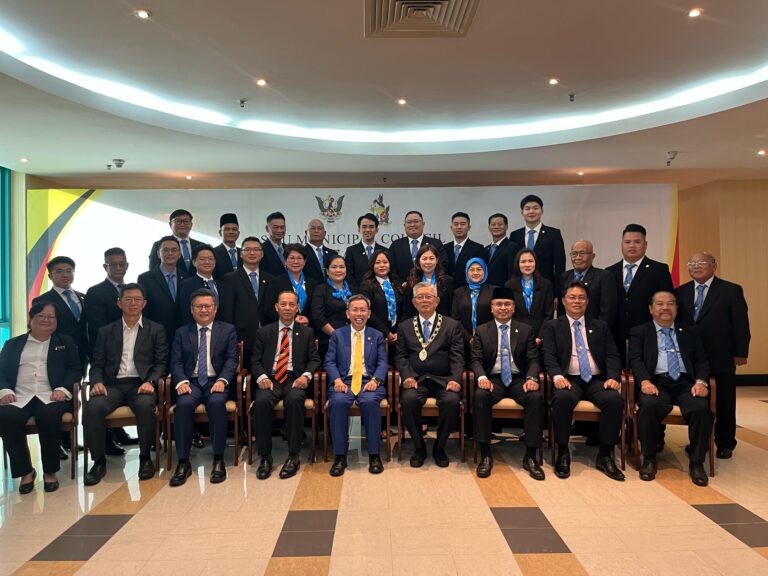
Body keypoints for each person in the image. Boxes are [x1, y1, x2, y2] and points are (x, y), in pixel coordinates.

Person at [83, 284, 168, 485]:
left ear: (144, 303)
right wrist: (97, 382)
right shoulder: (106, 331)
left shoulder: (156, 329)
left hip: (141, 384)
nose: (133, 303)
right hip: (112, 386)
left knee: (146, 406)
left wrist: (151, 381)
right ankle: (98, 461)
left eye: (137, 299)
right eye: (128, 299)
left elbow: (162, 363)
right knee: (93, 407)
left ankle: (145, 458)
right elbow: (97, 363)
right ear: (119, 303)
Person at [541, 281, 625, 481]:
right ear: (563, 301)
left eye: (581, 297)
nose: (576, 301)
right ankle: (563, 452)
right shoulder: (552, 326)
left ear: (587, 301)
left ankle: (605, 455)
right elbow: (548, 355)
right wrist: (557, 376)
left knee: (614, 400)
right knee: (562, 400)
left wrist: (613, 377)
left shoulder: (600, 326)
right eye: (572, 297)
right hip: (568, 379)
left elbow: (612, 354)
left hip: (597, 380)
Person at [629, 291, 713, 486]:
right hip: (656, 382)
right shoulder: (640, 331)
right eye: (660, 304)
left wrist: (701, 382)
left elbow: (702, 361)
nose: (665, 307)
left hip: (686, 384)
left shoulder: (690, 332)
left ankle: (697, 462)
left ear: (676, 308)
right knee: (648, 406)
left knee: (701, 409)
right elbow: (636, 359)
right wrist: (644, 381)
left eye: (670, 303)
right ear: (651, 309)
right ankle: (649, 458)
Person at [675, 252, 750, 459]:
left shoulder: (731, 290)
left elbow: (740, 324)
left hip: (721, 355)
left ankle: (725, 442)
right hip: (691, 358)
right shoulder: (680, 292)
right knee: (699, 401)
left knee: (724, 400)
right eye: (692, 263)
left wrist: (740, 352)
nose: (696, 266)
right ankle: (699, 442)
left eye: (702, 262)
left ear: (714, 265)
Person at [0, 303, 81, 494]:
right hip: (19, 395)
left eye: (51, 317)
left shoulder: (65, 341)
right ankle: (25, 472)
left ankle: (50, 472)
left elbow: (75, 369)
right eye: (41, 316)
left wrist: (63, 389)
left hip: (51, 395)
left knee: (49, 416)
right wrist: (4, 390)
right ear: (31, 319)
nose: (46, 320)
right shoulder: (12, 344)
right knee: (6, 416)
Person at [470, 287, 544, 480]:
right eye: (498, 304)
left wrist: (532, 378)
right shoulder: (482, 330)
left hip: (518, 378)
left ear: (513, 307)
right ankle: (485, 455)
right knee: (480, 396)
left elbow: (533, 359)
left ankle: (530, 457)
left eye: (507, 304)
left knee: (535, 398)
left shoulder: (525, 330)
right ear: (491, 308)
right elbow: (475, 360)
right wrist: (482, 378)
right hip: (493, 379)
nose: (503, 308)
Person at [168, 289, 239, 487]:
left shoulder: (228, 330)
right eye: (199, 306)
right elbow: (176, 361)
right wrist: (181, 382)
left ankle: (218, 459)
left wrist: (223, 380)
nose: (204, 310)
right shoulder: (182, 332)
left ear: (215, 309)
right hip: (190, 382)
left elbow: (232, 359)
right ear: (191, 310)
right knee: (183, 406)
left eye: (208, 306)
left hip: (216, 381)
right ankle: (183, 462)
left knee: (216, 404)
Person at [251, 291, 321, 480]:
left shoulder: (306, 332)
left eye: (292, 305)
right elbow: (255, 360)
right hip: (271, 378)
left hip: (294, 378)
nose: (287, 308)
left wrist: (306, 376)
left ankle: (293, 455)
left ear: (297, 308)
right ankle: (265, 457)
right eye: (283, 304)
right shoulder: (264, 332)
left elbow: (315, 359)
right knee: (261, 402)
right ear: (276, 307)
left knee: (295, 400)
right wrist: (262, 377)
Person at [396, 282, 465, 468]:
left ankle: (439, 447)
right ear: (413, 302)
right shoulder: (404, 327)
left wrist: (455, 379)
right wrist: (407, 376)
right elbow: (401, 356)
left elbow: (458, 357)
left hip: (444, 380)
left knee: (452, 401)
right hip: (416, 380)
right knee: (408, 400)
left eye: (428, 296)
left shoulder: (452, 325)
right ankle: (419, 447)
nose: (424, 300)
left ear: (437, 301)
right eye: (420, 297)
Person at [324, 295, 388, 476]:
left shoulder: (377, 335)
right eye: (355, 310)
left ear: (369, 313)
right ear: (347, 313)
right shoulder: (337, 335)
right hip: (344, 381)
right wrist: (336, 380)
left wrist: (376, 381)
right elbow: (329, 362)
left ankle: (374, 455)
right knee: (338, 402)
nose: (359, 314)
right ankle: (340, 456)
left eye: (362, 310)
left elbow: (383, 363)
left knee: (369, 402)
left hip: (369, 381)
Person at [32, 256, 89, 458]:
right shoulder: (42, 301)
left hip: (80, 355)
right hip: (56, 355)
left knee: (73, 395)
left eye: (69, 271)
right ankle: (55, 443)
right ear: (50, 275)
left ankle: (68, 439)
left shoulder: (81, 297)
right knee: (56, 397)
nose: (65, 275)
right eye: (60, 271)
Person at [84, 247, 137, 452]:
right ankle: (105, 443)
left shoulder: (132, 291)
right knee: (104, 395)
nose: (118, 268)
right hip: (106, 353)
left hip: (130, 351)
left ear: (127, 265)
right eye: (113, 264)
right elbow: (96, 327)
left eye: (121, 264)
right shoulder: (95, 292)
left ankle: (119, 433)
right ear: (105, 266)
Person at [607, 224, 674, 365]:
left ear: (645, 244)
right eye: (627, 242)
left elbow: (667, 302)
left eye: (637, 242)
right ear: (621, 244)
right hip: (616, 336)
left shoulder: (659, 270)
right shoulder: (609, 272)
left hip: (648, 335)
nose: (632, 245)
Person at [219, 236, 272, 363]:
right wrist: (230, 338)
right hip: (241, 338)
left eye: (256, 249)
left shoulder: (270, 279)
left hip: (267, 337)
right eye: (247, 249)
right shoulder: (230, 278)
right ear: (240, 254)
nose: (252, 253)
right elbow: (227, 312)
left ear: (262, 254)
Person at [138, 236, 190, 347]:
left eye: (174, 250)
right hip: (155, 337)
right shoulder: (145, 279)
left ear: (179, 254)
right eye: (165, 250)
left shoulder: (187, 278)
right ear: (158, 254)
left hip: (183, 337)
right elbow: (143, 310)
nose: (170, 253)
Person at [509, 195, 565, 286]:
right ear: (522, 212)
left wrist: (558, 290)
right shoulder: (515, 235)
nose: (531, 211)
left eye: (535, 208)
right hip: (519, 286)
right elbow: (512, 264)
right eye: (527, 208)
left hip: (546, 286)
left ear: (542, 211)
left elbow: (560, 264)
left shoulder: (554, 234)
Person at [558, 240, 617, 327]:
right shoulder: (564, 276)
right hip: (568, 330)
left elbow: (608, 311)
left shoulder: (604, 276)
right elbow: (561, 309)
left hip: (595, 330)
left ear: (592, 256)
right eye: (574, 254)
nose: (577, 258)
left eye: (582, 253)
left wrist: (597, 331)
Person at [358, 250, 404, 361]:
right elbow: (367, 312)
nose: (382, 265)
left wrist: (399, 332)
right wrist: (387, 333)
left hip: (398, 336)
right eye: (378, 262)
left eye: (385, 262)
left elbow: (404, 309)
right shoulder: (366, 285)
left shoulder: (397, 282)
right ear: (372, 265)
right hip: (376, 335)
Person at [263, 244, 319, 325]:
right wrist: (291, 320)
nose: (295, 261)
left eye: (299, 258)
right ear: (285, 261)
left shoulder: (313, 284)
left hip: (308, 328)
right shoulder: (275, 282)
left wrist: (308, 320)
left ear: (305, 261)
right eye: (292, 258)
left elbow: (316, 309)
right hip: (283, 328)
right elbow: (269, 309)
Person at [504, 248, 554, 340]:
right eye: (523, 262)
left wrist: (541, 336)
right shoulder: (509, 286)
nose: (527, 265)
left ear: (536, 263)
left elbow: (549, 313)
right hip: (517, 336)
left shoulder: (546, 285)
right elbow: (507, 313)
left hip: (540, 336)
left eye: (530, 261)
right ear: (517, 264)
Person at [311, 255, 354, 359]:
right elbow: (318, 317)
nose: (338, 270)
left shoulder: (354, 290)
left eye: (341, 267)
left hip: (354, 339)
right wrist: (336, 335)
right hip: (329, 341)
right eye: (334, 267)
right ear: (327, 271)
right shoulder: (321, 290)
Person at [451, 258, 494, 356]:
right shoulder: (458, 292)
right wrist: (469, 338)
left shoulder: (494, 291)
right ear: (466, 272)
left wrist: (482, 337)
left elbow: (498, 316)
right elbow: (455, 319)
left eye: (479, 269)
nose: (475, 273)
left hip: (489, 340)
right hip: (463, 342)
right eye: (471, 269)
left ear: (485, 271)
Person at [388, 210, 446, 282]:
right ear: (404, 225)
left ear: (423, 224)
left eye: (416, 221)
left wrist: (431, 281)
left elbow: (443, 265)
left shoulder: (436, 243)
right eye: (409, 222)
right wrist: (401, 284)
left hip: (431, 286)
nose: (412, 224)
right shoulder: (395, 245)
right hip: (403, 287)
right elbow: (391, 268)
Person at [403, 244, 453, 318]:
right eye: (424, 259)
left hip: (442, 322)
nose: (428, 262)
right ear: (419, 261)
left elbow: (451, 308)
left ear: (437, 260)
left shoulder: (447, 281)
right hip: (418, 322)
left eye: (431, 258)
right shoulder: (412, 281)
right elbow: (407, 309)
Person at [147, 209, 204, 273]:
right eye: (178, 221)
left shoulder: (201, 246)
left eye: (186, 221)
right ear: (170, 224)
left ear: (191, 224)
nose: (182, 224)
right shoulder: (159, 245)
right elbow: (153, 271)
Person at [443, 212, 487, 289]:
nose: (459, 227)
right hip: (447, 290)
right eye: (456, 224)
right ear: (451, 227)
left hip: (468, 291)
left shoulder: (478, 248)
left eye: (463, 224)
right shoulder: (444, 248)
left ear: (469, 227)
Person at [179, 245, 220, 326]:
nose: (207, 262)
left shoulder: (221, 284)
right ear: (194, 262)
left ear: (215, 262)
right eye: (202, 259)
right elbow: (186, 313)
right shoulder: (187, 285)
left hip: (221, 329)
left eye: (210, 259)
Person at [345, 213, 387, 285]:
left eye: (371, 227)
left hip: (381, 290)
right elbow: (349, 276)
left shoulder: (384, 251)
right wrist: (358, 291)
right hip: (358, 291)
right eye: (364, 227)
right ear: (359, 230)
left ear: (377, 230)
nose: (368, 230)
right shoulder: (351, 251)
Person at [485, 213, 520, 287]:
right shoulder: (485, 249)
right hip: (486, 290)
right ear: (489, 227)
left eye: (500, 224)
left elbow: (512, 274)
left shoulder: (513, 247)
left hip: (503, 290)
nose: (496, 227)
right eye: (493, 224)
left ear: (506, 226)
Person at [212, 213, 241, 280]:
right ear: (220, 232)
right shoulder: (213, 253)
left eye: (234, 229)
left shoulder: (244, 252)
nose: (231, 232)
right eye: (227, 229)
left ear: (238, 233)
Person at [260, 211, 289, 277]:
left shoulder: (288, 249)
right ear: (267, 228)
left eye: (282, 227)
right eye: (276, 227)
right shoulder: (261, 250)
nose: (279, 230)